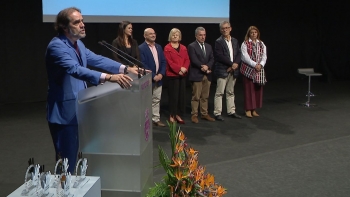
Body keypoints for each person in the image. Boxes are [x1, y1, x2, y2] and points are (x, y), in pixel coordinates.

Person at [45, 7, 141, 173]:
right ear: (64, 27)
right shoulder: (56, 47)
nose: (83, 25)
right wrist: (109, 77)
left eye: (82, 21)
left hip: (81, 108)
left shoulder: (78, 44)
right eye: (77, 22)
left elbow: (97, 59)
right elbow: (75, 69)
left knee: (77, 157)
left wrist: (125, 68)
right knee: (66, 161)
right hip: (65, 113)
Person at [213, 21, 242, 121]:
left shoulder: (235, 41)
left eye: (226, 28)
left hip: (233, 70)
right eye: (223, 28)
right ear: (220, 30)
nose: (225, 30)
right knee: (219, 92)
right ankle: (217, 113)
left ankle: (231, 111)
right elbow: (219, 56)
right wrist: (231, 64)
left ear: (230, 28)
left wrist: (235, 64)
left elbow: (238, 53)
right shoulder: (218, 41)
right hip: (222, 70)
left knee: (230, 91)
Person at [139, 28, 167, 127]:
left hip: (159, 78)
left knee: (156, 99)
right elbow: (143, 64)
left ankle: (156, 119)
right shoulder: (141, 48)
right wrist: (153, 75)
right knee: (146, 100)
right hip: (148, 79)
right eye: (150, 34)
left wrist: (161, 74)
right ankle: (146, 120)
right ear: (145, 36)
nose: (153, 35)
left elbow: (163, 62)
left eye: (154, 33)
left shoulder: (158, 47)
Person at [187, 27, 215, 123]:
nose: (203, 37)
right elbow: (194, 59)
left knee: (205, 96)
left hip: (207, 75)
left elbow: (212, 58)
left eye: (204, 35)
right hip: (197, 74)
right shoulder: (192, 46)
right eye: (200, 35)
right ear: (196, 36)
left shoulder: (208, 46)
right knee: (196, 96)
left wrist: (207, 66)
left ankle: (204, 114)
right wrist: (202, 67)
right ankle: (194, 115)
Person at [164, 28, 190, 124]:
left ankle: (178, 114)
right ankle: (172, 115)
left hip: (182, 75)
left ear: (180, 37)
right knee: (173, 96)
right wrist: (179, 69)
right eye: (173, 34)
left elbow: (187, 60)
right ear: (170, 36)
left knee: (181, 96)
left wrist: (184, 69)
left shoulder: (183, 47)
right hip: (172, 75)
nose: (175, 36)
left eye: (177, 35)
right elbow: (169, 62)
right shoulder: (167, 48)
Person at [240, 26, 267, 118]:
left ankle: (254, 109)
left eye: (255, 32)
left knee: (257, 90)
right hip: (248, 69)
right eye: (252, 33)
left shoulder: (261, 44)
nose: (254, 34)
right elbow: (245, 57)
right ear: (249, 34)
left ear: (257, 33)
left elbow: (264, 56)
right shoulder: (245, 43)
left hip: (259, 70)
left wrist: (261, 64)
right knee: (249, 90)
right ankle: (248, 109)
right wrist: (255, 65)